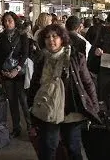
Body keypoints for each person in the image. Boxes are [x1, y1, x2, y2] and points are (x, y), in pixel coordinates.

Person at [28, 24, 101, 160]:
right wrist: (30, 105)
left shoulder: (75, 57)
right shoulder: (41, 58)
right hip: (48, 110)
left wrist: (94, 109)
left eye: (55, 36)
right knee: (48, 148)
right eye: (47, 37)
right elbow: (35, 84)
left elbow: (87, 83)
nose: (51, 40)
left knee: (73, 147)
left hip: (71, 111)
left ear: (62, 38)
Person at [0, 11, 31, 138]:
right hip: (6, 74)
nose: (7, 23)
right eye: (5, 21)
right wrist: (0, 71)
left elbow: (25, 53)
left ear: (15, 21)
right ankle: (16, 128)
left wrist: (17, 69)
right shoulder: (1, 36)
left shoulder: (22, 35)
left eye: (10, 20)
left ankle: (31, 127)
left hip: (19, 73)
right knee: (13, 102)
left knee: (24, 101)